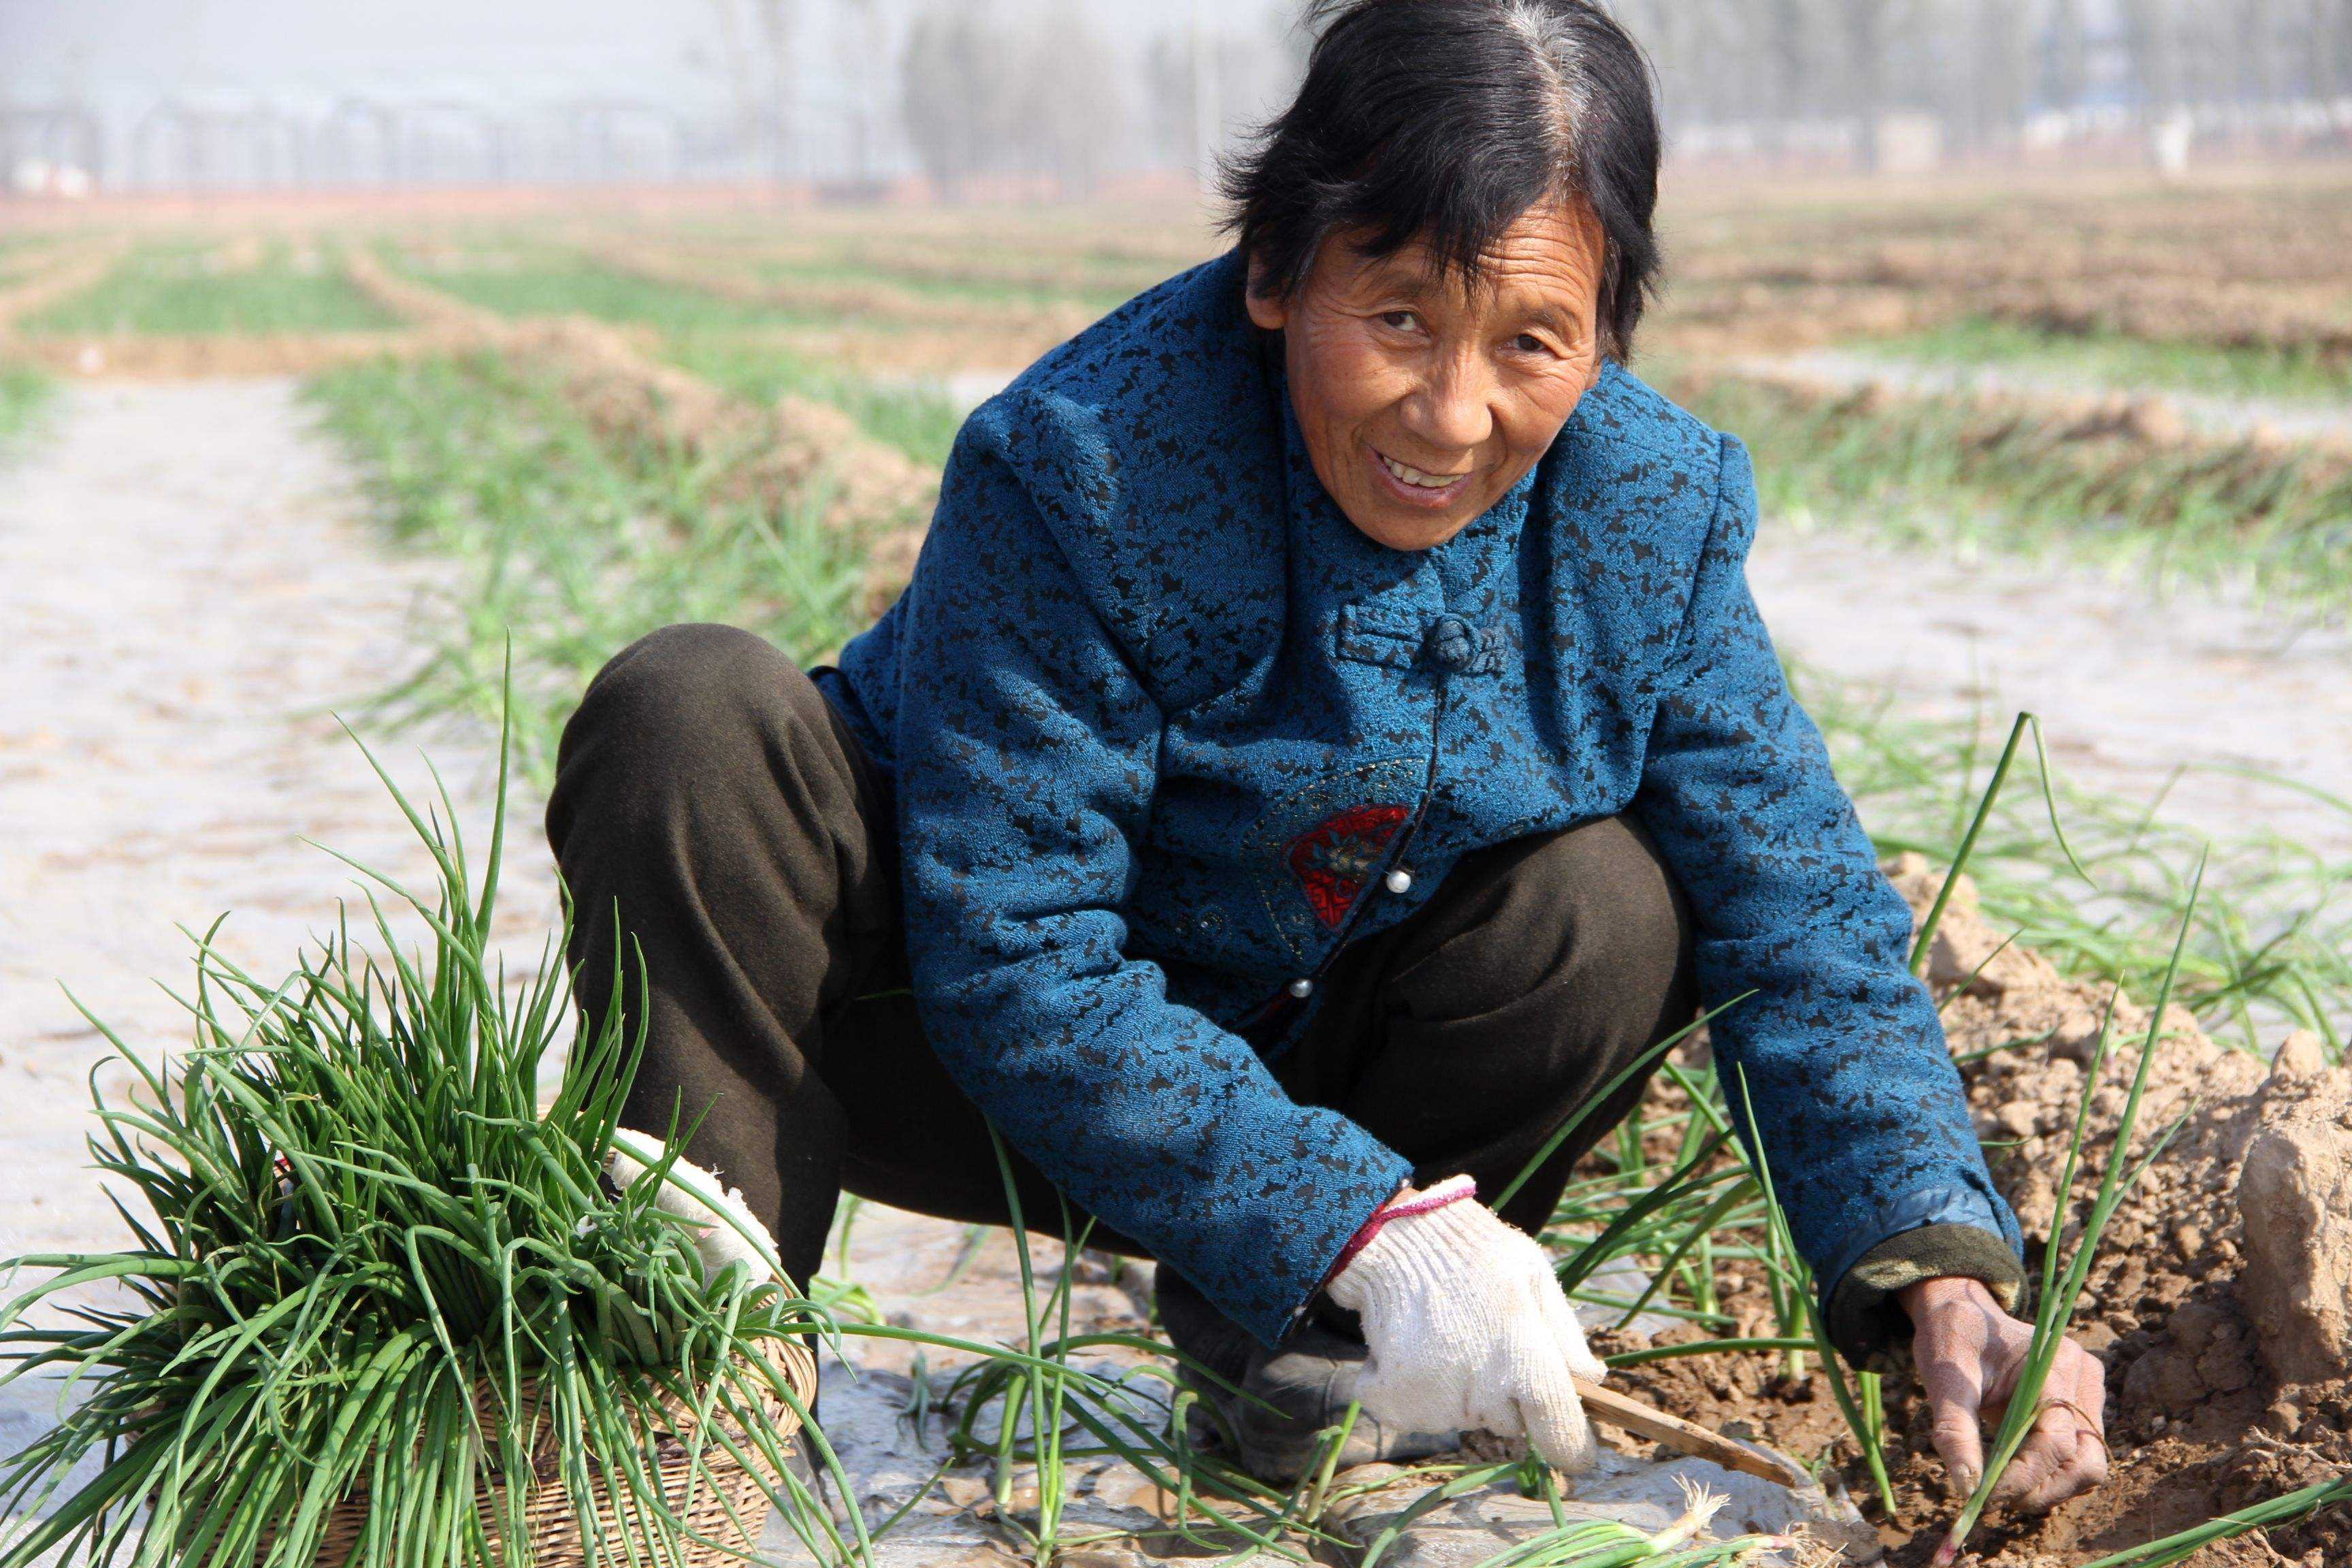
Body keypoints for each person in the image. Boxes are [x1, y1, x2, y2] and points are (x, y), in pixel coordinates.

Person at [547, 0, 2109, 1509]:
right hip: (953, 1044)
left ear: (1609, 334)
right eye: (1401, 317)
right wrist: (1359, 1216)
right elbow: (1015, 954)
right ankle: (690, 1361)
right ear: (1280, 270)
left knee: (1608, 906)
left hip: (1330, 1052)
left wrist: (1941, 1267)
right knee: (694, 713)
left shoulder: (1651, 513)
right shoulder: (1085, 463)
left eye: (1533, 342)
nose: (1451, 412)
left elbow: (1804, 910)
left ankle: (1306, 1361)